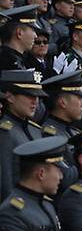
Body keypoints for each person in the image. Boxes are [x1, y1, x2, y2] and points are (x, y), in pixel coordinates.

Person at [0, 70, 46, 200]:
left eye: (37, 97)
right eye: (29, 96)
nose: (35, 102)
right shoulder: (4, 132)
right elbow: (6, 180)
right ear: (10, 97)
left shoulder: (35, 129)